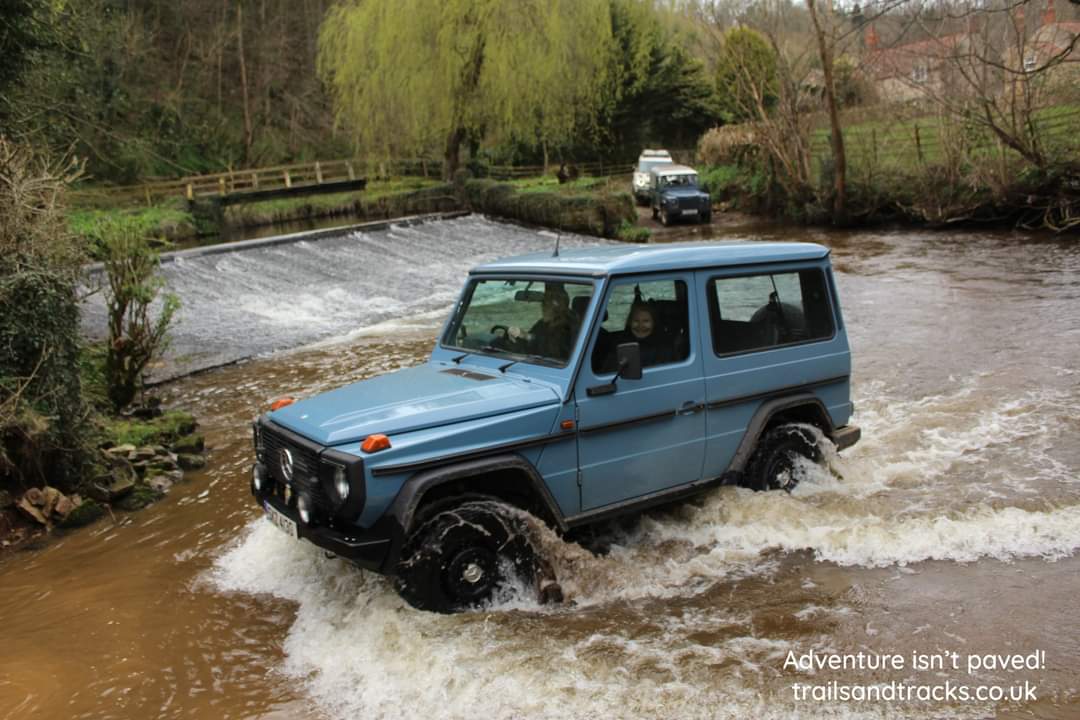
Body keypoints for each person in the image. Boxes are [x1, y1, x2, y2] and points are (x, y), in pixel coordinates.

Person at [528, 287, 575, 361]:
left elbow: (557, 358)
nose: (542, 307)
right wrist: (522, 335)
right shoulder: (542, 324)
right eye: (543, 303)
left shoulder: (569, 329)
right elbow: (533, 338)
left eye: (546, 304)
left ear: (558, 307)